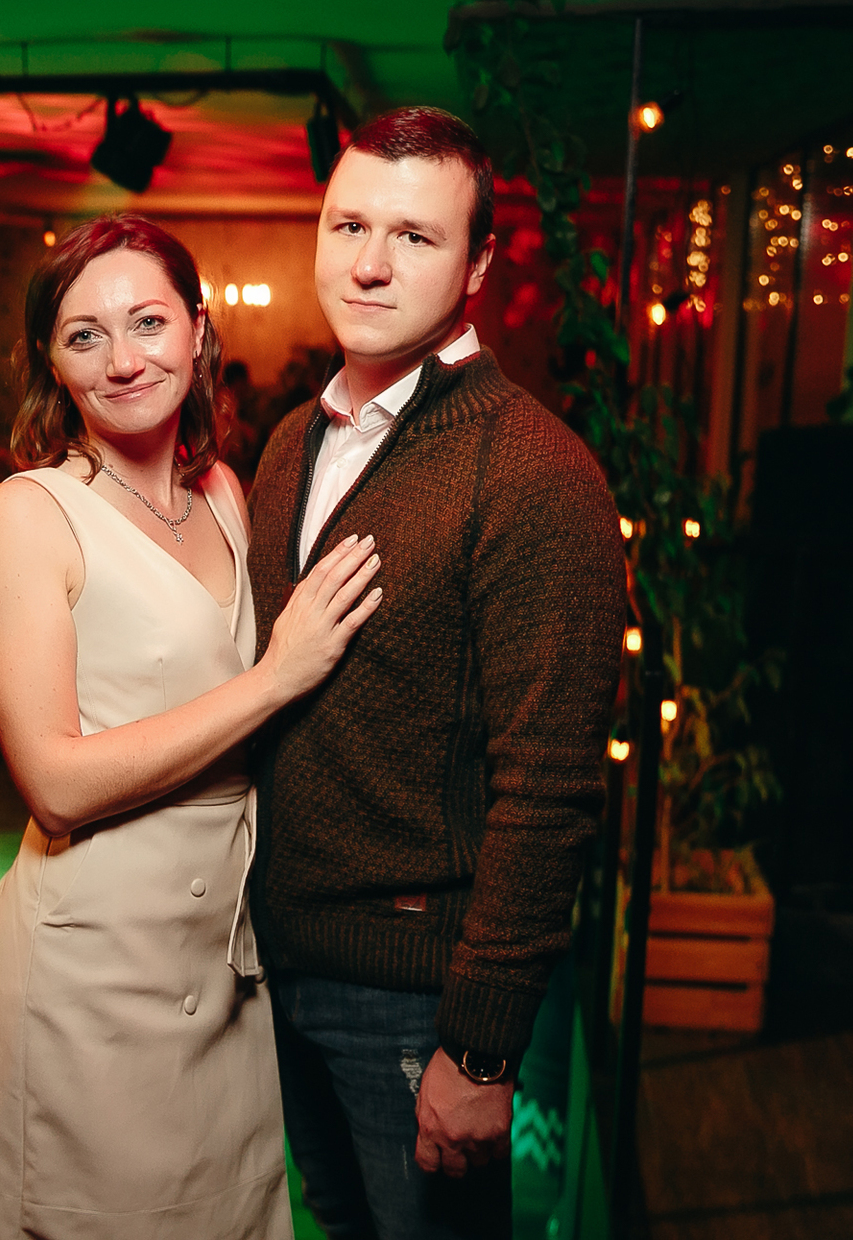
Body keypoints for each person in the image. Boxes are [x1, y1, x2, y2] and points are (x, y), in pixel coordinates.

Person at [0, 214, 384, 1239]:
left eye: (147, 322)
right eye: (85, 335)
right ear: (51, 362)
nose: (123, 359)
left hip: (223, 967)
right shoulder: (27, 514)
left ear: (197, 330)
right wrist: (275, 680)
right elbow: (53, 781)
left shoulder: (225, 492)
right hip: (90, 975)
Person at [247, 107, 627, 1238]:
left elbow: (550, 791)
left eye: (414, 236)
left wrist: (482, 1047)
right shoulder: (290, 443)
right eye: (348, 225)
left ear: (479, 266)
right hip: (279, 965)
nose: (369, 263)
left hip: (416, 999)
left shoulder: (535, 472)